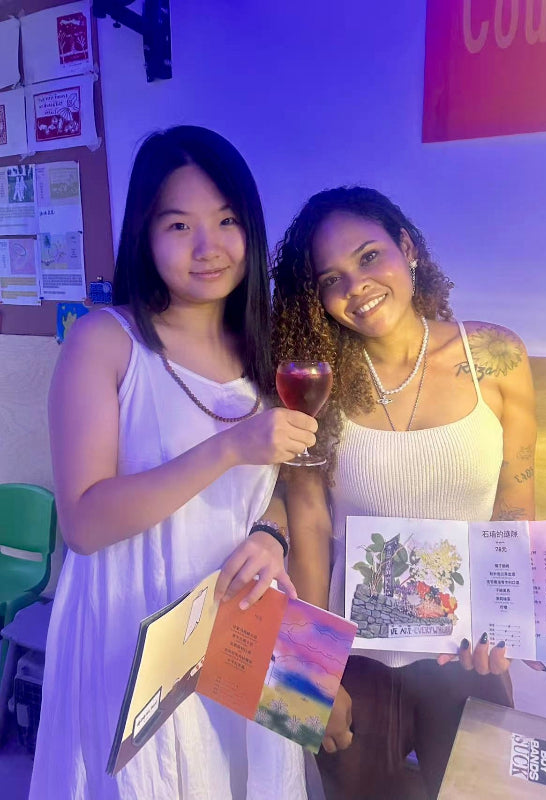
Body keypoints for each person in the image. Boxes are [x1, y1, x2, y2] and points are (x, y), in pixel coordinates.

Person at [29, 126, 318, 800]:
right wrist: (228, 447)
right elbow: (84, 523)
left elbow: (270, 492)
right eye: (179, 225)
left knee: (244, 779)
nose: (207, 246)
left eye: (226, 221)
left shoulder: (263, 352)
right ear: (145, 234)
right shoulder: (105, 341)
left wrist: (270, 537)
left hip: (242, 624)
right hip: (135, 625)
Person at [270, 186, 536, 800]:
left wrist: (508, 628)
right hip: (353, 661)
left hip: (464, 654)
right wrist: (308, 678)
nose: (356, 286)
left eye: (369, 256)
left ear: (407, 248)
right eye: (330, 278)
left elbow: (514, 508)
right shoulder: (313, 382)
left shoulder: (496, 356)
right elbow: (309, 525)